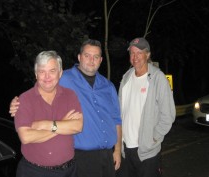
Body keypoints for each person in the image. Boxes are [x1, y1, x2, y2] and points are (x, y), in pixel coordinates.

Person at [10, 39, 122, 177]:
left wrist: (117, 150)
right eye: (87, 55)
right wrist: (18, 103)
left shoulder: (108, 86)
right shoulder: (65, 78)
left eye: (96, 56)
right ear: (79, 57)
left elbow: (116, 119)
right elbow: (44, 83)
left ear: (101, 60)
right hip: (82, 158)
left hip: (107, 156)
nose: (91, 60)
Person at [15, 50, 83, 177]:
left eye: (52, 71)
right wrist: (63, 125)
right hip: (35, 172)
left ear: (60, 73)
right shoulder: (25, 99)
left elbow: (78, 126)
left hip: (69, 171)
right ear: (36, 74)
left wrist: (45, 124)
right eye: (42, 71)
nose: (47, 77)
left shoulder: (70, 95)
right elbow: (26, 137)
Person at [118, 37, 176, 177]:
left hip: (147, 151)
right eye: (132, 53)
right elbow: (120, 112)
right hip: (125, 149)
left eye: (139, 52)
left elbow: (168, 115)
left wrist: (153, 138)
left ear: (148, 54)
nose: (135, 57)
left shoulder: (158, 78)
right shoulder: (126, 78)